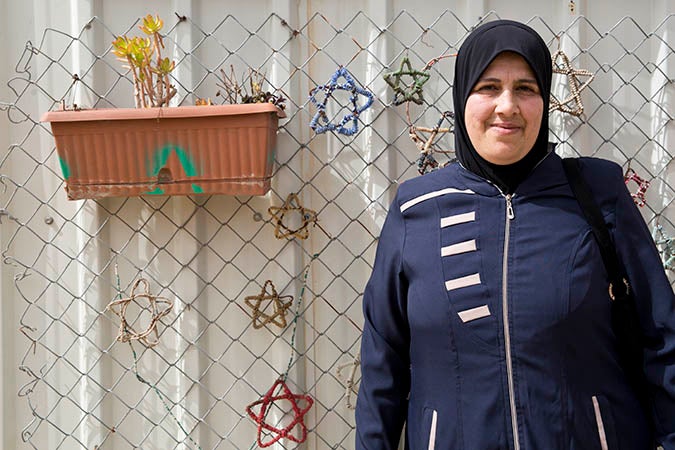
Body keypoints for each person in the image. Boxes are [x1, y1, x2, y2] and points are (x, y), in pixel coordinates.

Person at [355, 19, 675, 450]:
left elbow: (662, 337)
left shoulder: (597, 195)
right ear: (462, 97)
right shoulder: (417, 208)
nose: (507, 106)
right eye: (488, 87)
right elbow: (382, 363)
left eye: (526, 88)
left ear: (544, 101)